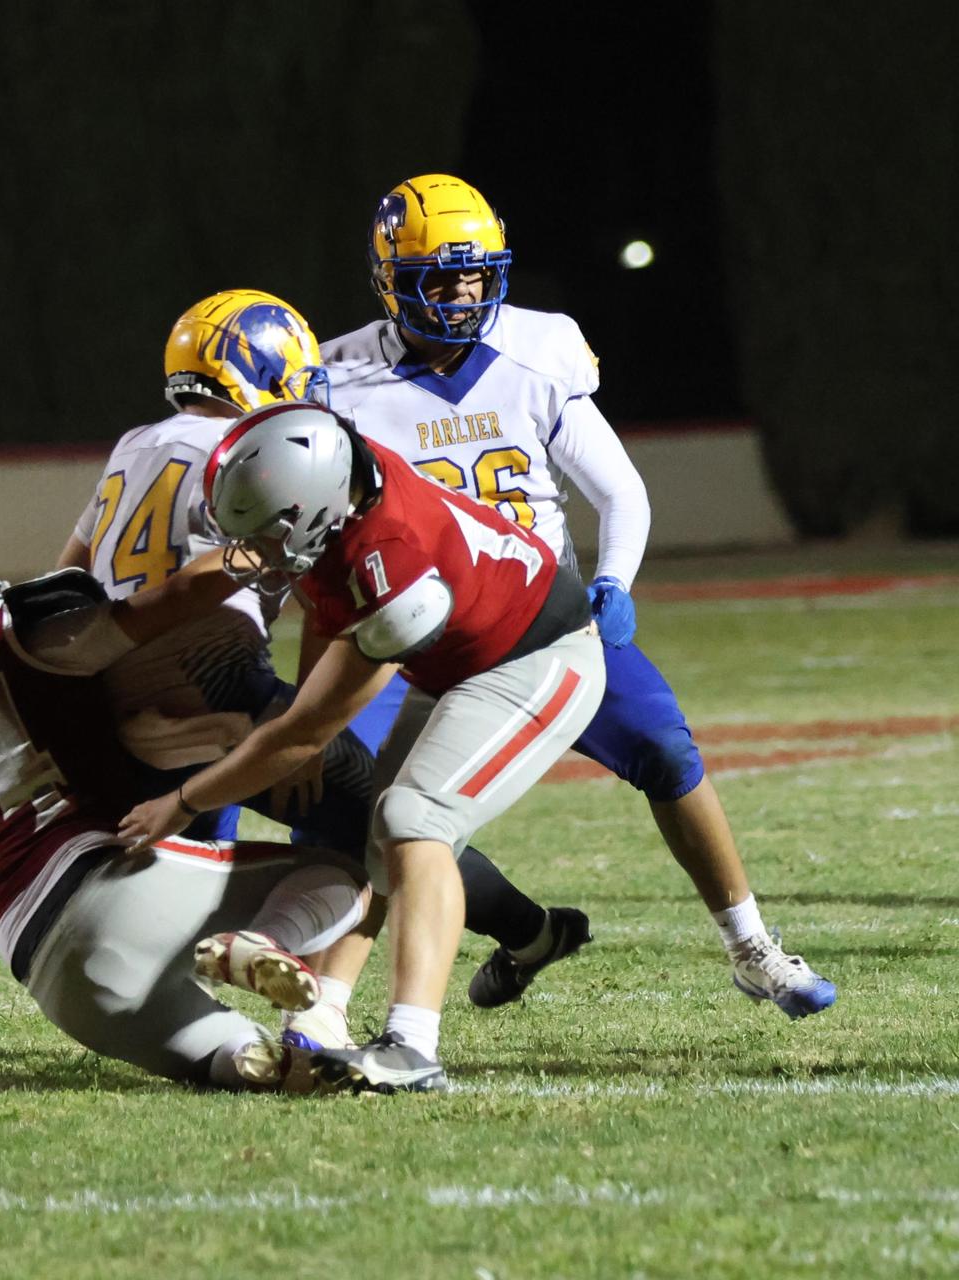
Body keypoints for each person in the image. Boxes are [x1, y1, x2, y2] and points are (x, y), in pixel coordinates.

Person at [314, 173, 834, 1017]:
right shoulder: (334, 381)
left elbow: (619, 491)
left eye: (476, 274)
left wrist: (611, 583)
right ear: (388, 281)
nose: (462, 294)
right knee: (358, 823)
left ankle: (752, 947)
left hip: (539, 622)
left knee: (666, 752)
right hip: (416, 642)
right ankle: (486, 947)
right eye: (439, 279)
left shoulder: (537, 349)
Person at [57, 288, 584, 1046]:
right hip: (214, 685)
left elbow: (71, 572)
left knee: (197, 858)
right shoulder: (257, 456)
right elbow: (245, 577)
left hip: (114, 689)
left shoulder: (135, 443)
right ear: (262, 366)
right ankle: (510, 934)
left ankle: (239, 975)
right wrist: (288, 715)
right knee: (388, 825)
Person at [119, 402, 607, 1093]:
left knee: (414, 819)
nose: (255, 552)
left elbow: (304, 732)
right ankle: (326, 1017)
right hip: (462, 656)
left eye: (266, 532)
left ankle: (412, 1046)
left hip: (540, 657)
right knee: (376, 831)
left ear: (312, 508)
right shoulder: (337, 483)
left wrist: (182, 800)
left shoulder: (388, 562)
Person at [0, 559, 370, 1090]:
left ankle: (258, 1059)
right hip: (97, 883)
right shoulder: (16, 641)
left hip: (44, 971)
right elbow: (165, 604)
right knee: (343, 875)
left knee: (241, 1060)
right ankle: (263, 939)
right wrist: (253, 555)